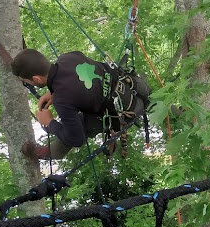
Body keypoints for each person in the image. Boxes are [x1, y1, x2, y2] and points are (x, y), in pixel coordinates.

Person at [11, 48, 150, 161]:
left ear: (36, 78)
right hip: (128, 86)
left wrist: (50, 122)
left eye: (28, 81)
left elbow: (76, 139)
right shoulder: (69, 56)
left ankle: (44, 153)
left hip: (122, 111)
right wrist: (52, 91)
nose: (29, 83)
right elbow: (75, 80)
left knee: (70, 135)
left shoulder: (62, 100)